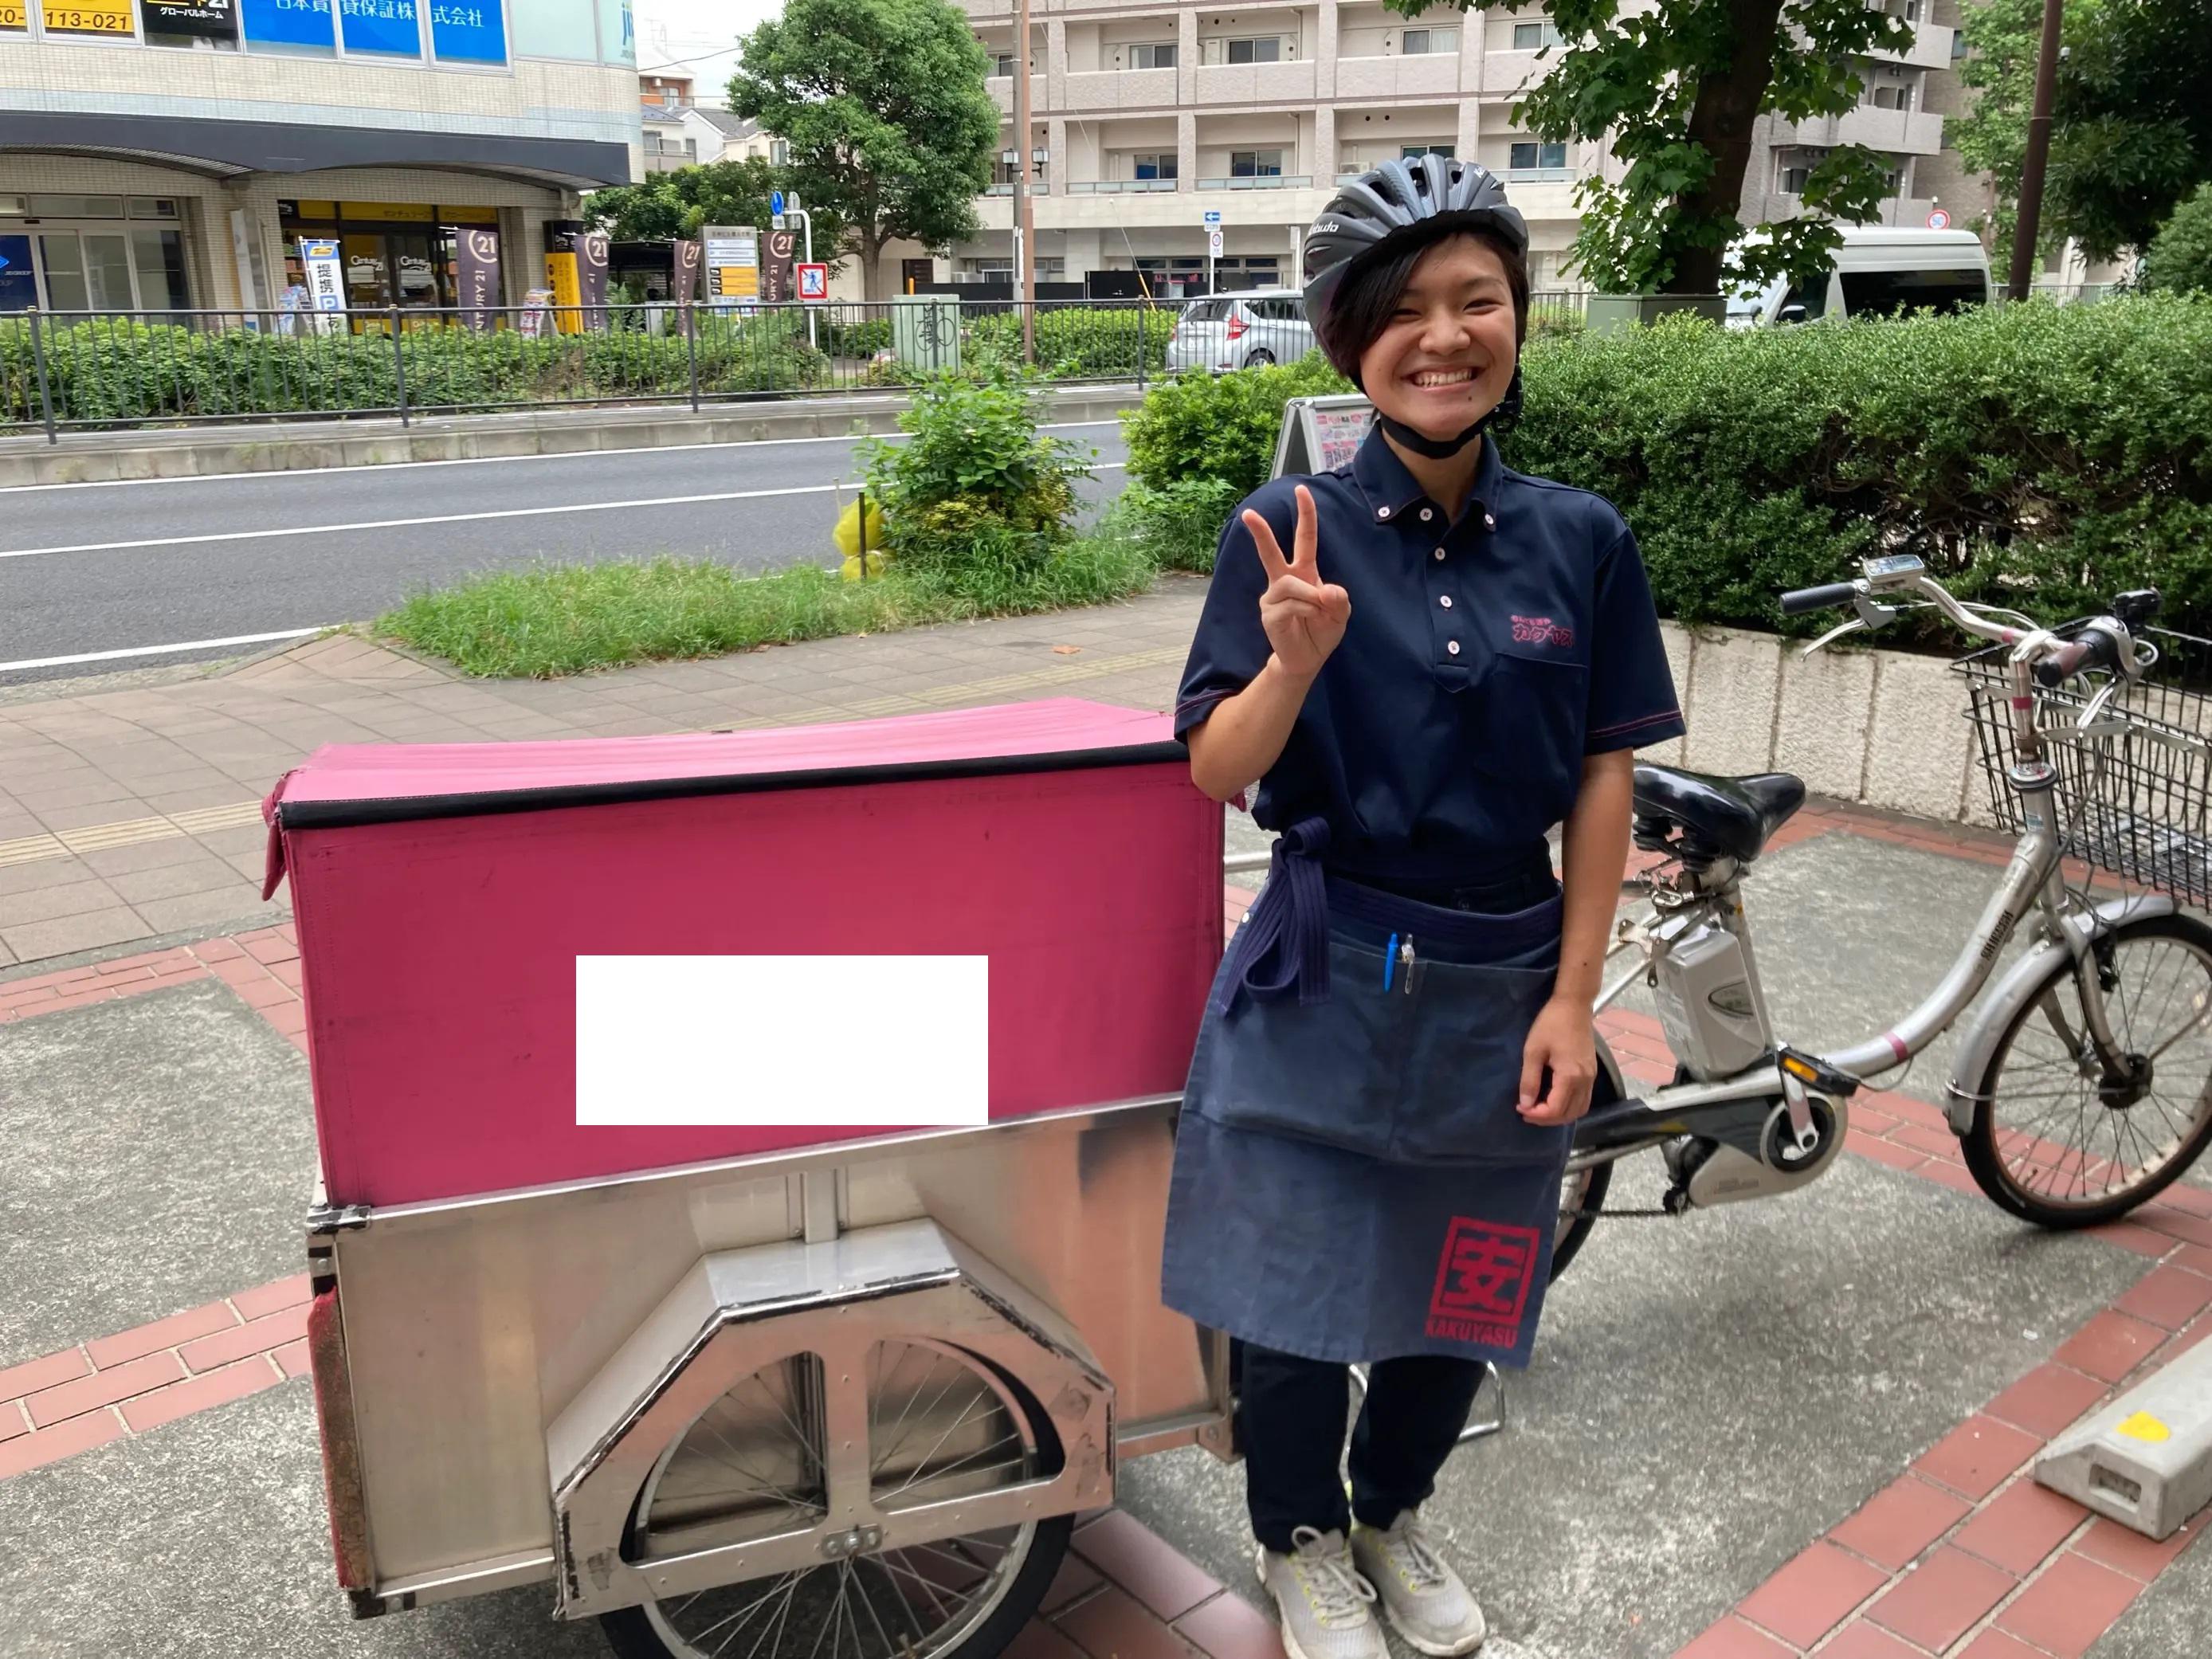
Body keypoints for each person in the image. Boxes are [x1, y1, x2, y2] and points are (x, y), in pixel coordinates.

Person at [1161, 155, 1685, 1659]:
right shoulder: (1286, 528)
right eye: (1408, 311)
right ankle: (1301, 1542)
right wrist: (1294, 664)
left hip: (1502, 966)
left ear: (1518, 319)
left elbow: (1601, 775)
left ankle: (1393, 1510)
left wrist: (1577, 996)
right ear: (1349, 340)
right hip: (1324, 965)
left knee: (1470, 1268)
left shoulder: (1578, 539)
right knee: (1294, 1277)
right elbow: (1216, 769)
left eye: (1481, 301)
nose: (1447, 336)